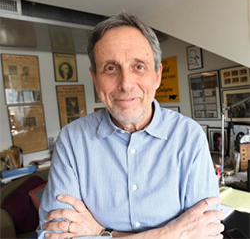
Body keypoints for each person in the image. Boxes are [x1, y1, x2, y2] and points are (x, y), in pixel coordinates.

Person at [37, 12, 224, 239]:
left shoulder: (189, 137)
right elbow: (53, 235)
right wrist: (170, 233)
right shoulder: (72, 141)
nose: (125, 84)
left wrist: (102, 233)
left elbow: (207, 235)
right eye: (111, 68)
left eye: (139, 67)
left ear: (157, 76)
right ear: (95, 78)